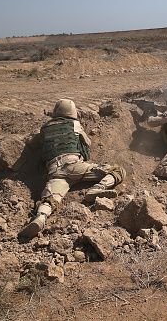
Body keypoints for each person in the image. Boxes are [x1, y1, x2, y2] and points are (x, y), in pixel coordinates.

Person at [19, 99, 125, 239]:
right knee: (117, 170)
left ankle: (41, 217)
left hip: (54, 170)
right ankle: (98, 188)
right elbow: (86, 144)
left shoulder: (45, 128)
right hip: (74, 165)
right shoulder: (75, 124)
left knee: (50, 198)